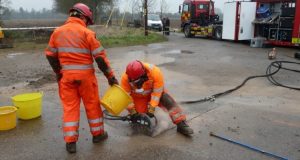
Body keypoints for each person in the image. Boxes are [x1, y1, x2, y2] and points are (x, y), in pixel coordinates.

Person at [45, 3, 118, 153]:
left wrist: (59, 73)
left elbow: (50, 55)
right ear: (83, 17)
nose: (87, 24)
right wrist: (110, 77)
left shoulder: (57, 32)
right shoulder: (87, 34)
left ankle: (70, 142)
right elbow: (100, 59)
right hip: (86, 78)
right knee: (92, 106)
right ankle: (98, 135)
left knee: (70, 108)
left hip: (66, 78)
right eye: (87, 21)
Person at [120, 60, 194, 136]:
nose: (135, 83)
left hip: (154, 94)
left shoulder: (155, 72)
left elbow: (157, 93)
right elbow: (126, 98)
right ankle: (139, 122)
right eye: (132, 81)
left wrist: (152, 107)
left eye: (137, 80)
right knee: (139, 116)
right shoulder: (125, 78)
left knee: (167, 100)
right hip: (138, 97)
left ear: (144, 75)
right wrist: (132, 111)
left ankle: (181, 123)